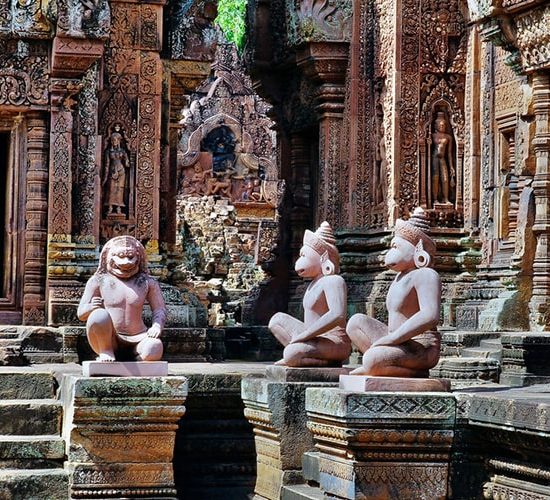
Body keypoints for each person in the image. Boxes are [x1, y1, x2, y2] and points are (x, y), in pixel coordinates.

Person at [346, 207, 441, 377]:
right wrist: (392, 339)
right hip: (399, 342)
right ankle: (379, 364)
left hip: (421, 346)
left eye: (396, 246)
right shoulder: (399, 278)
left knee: (371, 359)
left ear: (418, 249)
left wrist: (392, 339)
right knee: (355, 322)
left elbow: (430, 315)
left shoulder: (426, 274)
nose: (391, 252)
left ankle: (383, 365)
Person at [268, 222, 351, 366]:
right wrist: (304, 336)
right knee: (276, 320)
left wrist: (304, 336)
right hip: (314, 338)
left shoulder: (333, 280)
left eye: (304, 255)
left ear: (323, 258)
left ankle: (303, 356)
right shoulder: (312, 284)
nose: (300, 260)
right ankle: (302, 354)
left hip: (334, 342)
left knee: (291, 353)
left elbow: (338, 314)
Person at [77, 236, 166, 362]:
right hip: (109, 338)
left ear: (139, 258)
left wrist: (157, 326)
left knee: (155, 348)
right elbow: (81, 313)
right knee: (98, 316)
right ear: (108, 257)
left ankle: (135, 360)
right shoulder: (98, 281)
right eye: (121, 256)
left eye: (131, 257)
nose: (126, 262)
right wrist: (91, 308)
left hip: (140, 337)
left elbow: (159, 309)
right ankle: (106, 351)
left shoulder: (147, 282)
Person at [103, 129, 130, 216]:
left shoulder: (122, 151)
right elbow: (107, 164)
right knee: (111, 188)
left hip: (121, 171)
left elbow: (127, 162)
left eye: (115, 140)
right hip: (112, 171)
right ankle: (110, 208)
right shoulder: (108, 151)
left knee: (120, 189)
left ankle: (119, 207)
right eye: (112, 140)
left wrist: (127, 162)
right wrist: (105, 177)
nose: (113, 142)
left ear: (118, 141)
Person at [431, 112, 455, 204]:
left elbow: (449, 153)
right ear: (436, 125)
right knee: (435, 178)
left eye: (444, 125)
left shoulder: (448, 137)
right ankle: (435, 199)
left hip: (442, 159)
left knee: (445, 179)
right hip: (434, 158)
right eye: (440, 125)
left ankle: (446, 198)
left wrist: (451, 166)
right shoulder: (433, 135)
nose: (442, 126)